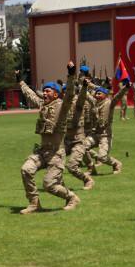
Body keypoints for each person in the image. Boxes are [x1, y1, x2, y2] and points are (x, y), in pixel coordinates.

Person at [18, 62, 80, 214]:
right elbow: (31, 95)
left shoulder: (62, 106)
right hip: (42, 152)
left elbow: (70, 93)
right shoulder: (43, 105)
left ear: (56, 93)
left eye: (48, 91)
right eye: (44, 91)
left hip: (56, 155)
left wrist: (71, 75)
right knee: (26, 170)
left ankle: (72, 197)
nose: (44, 93)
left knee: (49, 184)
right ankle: (34, 203)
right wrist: (20, 81)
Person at [91, 79, 130, 175]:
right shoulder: (94, 104)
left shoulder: (110, 103)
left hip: (105, 135)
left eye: (99, 94)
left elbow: (118, 96)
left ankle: (116, 164)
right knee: (81, 147)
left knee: (103, 157)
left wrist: (125, 88)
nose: (97, 95)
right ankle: (90, 169)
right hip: (94, 134)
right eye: (96, 94)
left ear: (105, 95)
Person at [64, 75, 96, 190]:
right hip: (66, 141)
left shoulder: (78, 102)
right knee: (53, 161)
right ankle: (57, 184)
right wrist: (22, 82)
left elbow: (82, 96)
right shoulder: (61, 104)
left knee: (71, 166)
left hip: (78, 141)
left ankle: (87, 180)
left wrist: (84, 86)